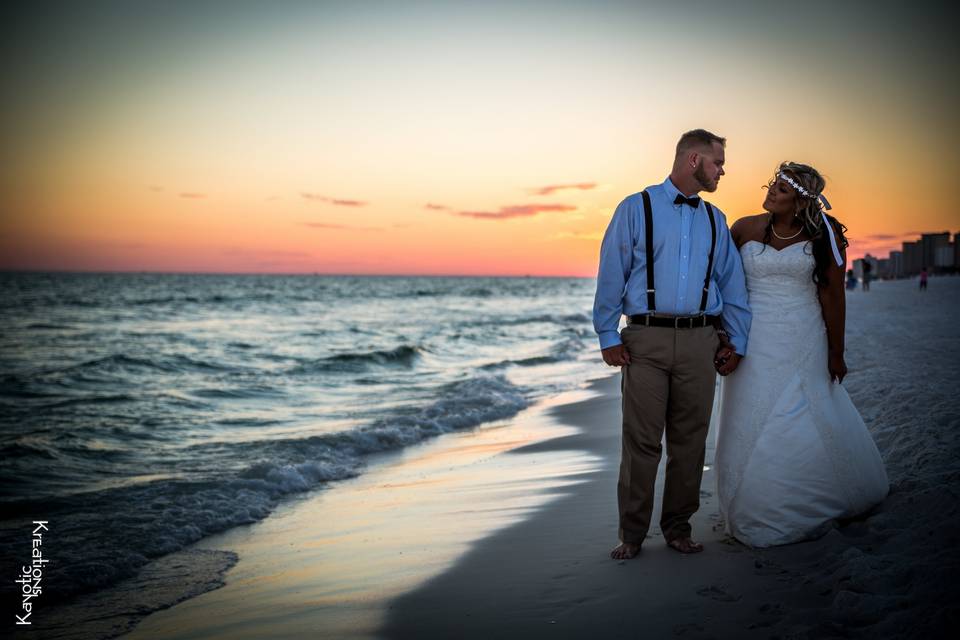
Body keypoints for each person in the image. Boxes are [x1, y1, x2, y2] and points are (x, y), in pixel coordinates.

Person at [593, 129, 751, 559]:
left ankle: (678, 528)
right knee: (641, 442)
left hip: (701, 340)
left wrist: (735, 341)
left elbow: (731, 287)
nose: (723, 170)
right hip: (644, 339)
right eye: (718, 162)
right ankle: (632, 534)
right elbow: (612, 272)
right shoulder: (635, 207)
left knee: (691, 441)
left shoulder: (716, 220)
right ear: (694, 160)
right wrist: (607, 334)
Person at [715, 162, 889, 548]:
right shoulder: (744, 228)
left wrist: (836, 352)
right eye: (772, 185)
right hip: (753, 338)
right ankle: (750, 501)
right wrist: (723, 333)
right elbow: (724, 283)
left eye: (780, 189)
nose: (770, 192)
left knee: (798, 412)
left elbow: (833, 296)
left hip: (804, 335)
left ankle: (813, 498)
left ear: (800, 199)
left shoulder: (825, 237)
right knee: (751, 412)